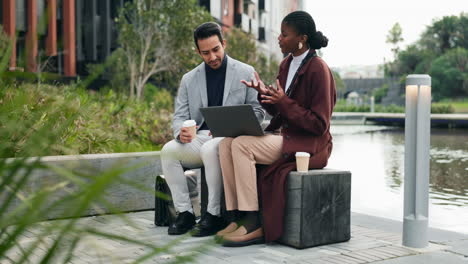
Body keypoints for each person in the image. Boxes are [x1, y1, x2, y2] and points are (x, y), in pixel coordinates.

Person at [216, 11, 336, 247]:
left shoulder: (318, 69)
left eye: (284, 34)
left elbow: (319, 124)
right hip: (286, 136)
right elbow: (279, 112)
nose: (279, 39)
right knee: (226, 143)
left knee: (241, 145)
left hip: (308, 144)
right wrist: (264, 95)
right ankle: (236, 215)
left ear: (301, 38)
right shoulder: (287, 64)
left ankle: (253, 221)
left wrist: (283, 101)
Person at [160, 22, 265, 237]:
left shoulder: (246, 71)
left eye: (216, 49)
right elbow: (179, 116)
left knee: (210, 149)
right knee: (168, 151)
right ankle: (185, 213)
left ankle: (213, 215)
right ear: (198, 51)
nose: (212, 57)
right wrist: (180, 131)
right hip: (199, 137)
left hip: (229, 137)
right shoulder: (189, 79)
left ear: (223, 44)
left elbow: (260, 111)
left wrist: (242, 121)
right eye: (205, 53)